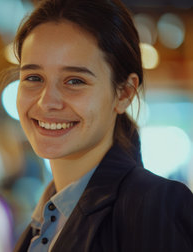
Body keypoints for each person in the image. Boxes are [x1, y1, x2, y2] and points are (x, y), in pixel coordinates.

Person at [12, 0, 193, 251]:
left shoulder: (154, 205)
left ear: (124, 94)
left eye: (74, 81)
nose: (47, 102)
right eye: (33, 78)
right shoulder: (46, 215)